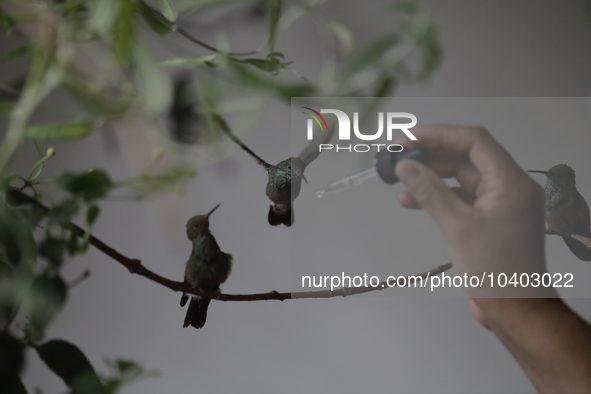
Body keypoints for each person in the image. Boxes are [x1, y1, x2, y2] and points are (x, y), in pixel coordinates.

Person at [393, 125, 591, 393]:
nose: (550, 177)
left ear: (565, 181)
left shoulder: (574, 199)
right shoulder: (546, 195)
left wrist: (510, 305)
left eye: (555, 175)